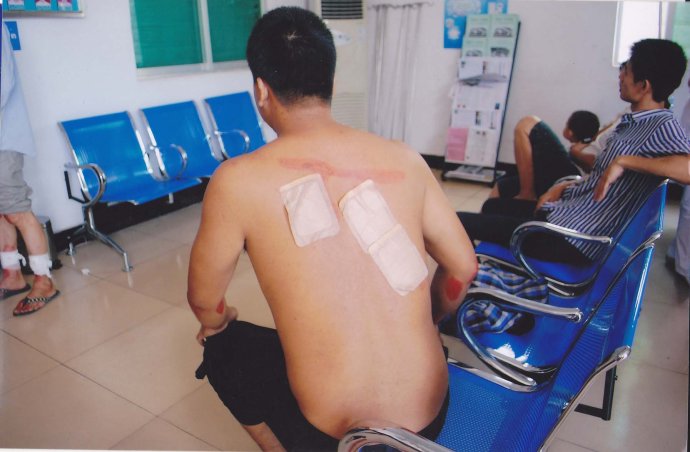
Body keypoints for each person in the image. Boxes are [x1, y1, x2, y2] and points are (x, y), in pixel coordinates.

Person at [187, 7, 477, 451]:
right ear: (332, 84)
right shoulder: (404, 158)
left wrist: (220, 322)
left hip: (339, 437)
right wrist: (429, 320)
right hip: (428, 424)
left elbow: (205, 302)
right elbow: (463, 267)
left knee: (223, 348)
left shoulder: (237, 181)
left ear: (261, 90)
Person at [458, 38, 690, 265]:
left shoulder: (660, 125)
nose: (620, 76)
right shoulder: (635, 122)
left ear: (643, 86)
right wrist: (564, 186)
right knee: (492, 207)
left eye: (625, 71)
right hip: (566, 216)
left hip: (570, 239)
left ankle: (466, 278)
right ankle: (473, 272)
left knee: (459, 223)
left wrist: (624, 161)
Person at [0, 22, 60, 315]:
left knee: (16, 211)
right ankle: (12, 275)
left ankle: (43, 280)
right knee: (2, 211)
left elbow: (2, 84)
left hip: (3, 140)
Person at [491, 110, 600, 201]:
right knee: (502, 184)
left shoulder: (581, 150)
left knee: (527, 123)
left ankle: (527, 194)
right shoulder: (585, 145)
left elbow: (594, 163)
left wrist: (575, 152)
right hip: (556, 177)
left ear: (570, 132)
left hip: (568, 178)